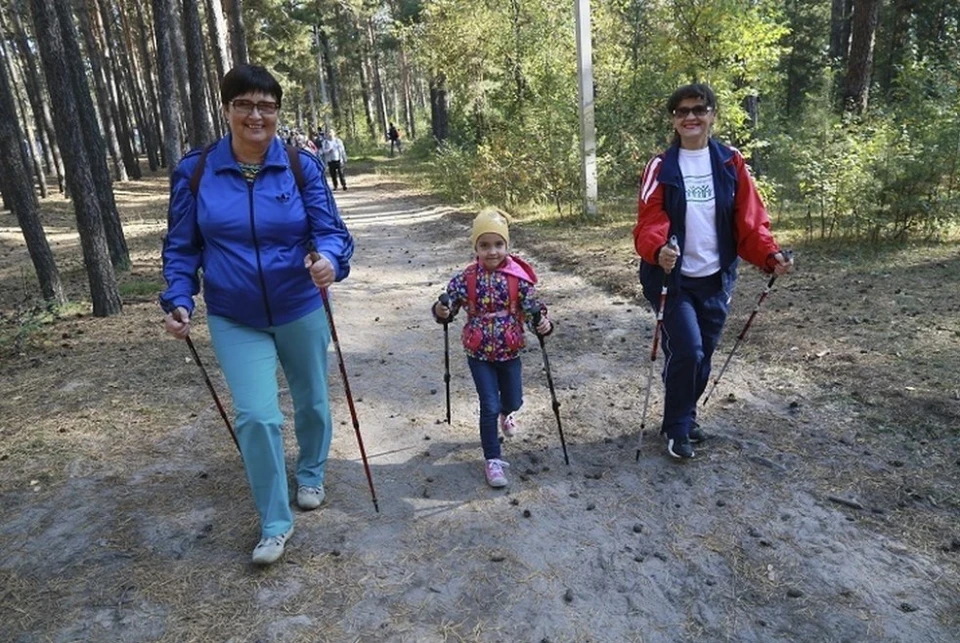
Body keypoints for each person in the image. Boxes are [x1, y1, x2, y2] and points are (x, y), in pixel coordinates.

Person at [160, 64, 354, 565]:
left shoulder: (299, 165)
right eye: (244, 104)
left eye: (266, 105)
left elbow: (331, 229)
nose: (255, 115)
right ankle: (273, 521)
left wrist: (330, 259)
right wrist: (179, 297)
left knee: (311, 402)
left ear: (276, 112)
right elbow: (182, 247)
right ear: (226, 110)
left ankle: (311, 472)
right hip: (234, 314)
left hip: (299, 304)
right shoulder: (196, 170)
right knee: (257, 416)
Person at [633, 83, 793, 460]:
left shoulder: (729, 162)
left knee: (703, 355)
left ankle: (685, 416)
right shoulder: (661, 166)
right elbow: (649, 221)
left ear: (712, 115)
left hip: (716, 277)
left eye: (699, 109)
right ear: (673, 120)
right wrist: (659, 250)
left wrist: (770, 257)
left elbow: (751, 223)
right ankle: (676, 429)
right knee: (686, 349)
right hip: (671, 278)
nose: (691, 116)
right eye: (682, 111)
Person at [432, 208, 553, 488]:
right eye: (484, 245)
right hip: (479, 353)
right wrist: (442, 310)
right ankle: (493, 460)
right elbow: (447, 308)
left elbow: (534, 309)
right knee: (488, 404)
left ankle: (507, 413)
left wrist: (543, 323)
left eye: (498, 244)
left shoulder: (517, 279)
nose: (492, 251)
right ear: (475, 247)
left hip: (510, 351)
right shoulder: (466, 279)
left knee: (513, 401)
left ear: (507, 246)